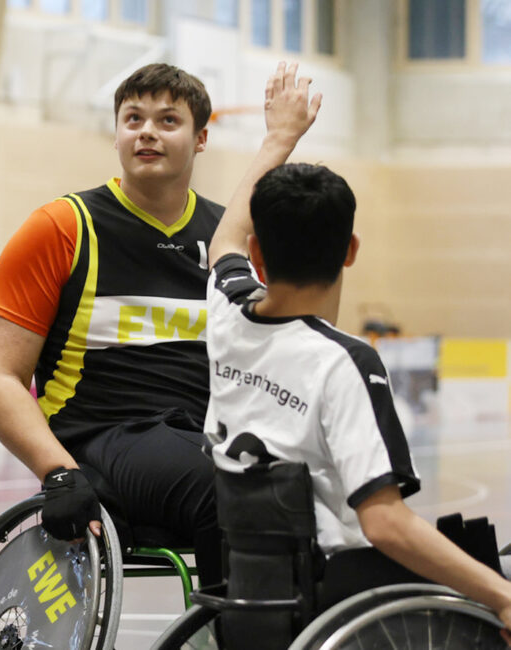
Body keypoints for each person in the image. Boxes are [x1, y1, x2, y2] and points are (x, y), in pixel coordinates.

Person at [204, 61, 511, 640]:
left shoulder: (226, 311)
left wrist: (278, 139)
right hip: (340, 596)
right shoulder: (343, 363)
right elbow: (385, 523)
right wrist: (501, 597)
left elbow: (224, 239)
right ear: (351, 250)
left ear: (258, 256)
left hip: (253, 596)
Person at [0, 63, 222, 586]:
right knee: (228, 487)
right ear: (116, 135)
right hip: (99, 437)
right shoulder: (60, 228)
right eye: (133, 118)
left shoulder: (226, 236)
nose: (147, 131)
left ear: (201, 138)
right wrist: (57, 470)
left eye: (167, 120)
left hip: (198, 436)